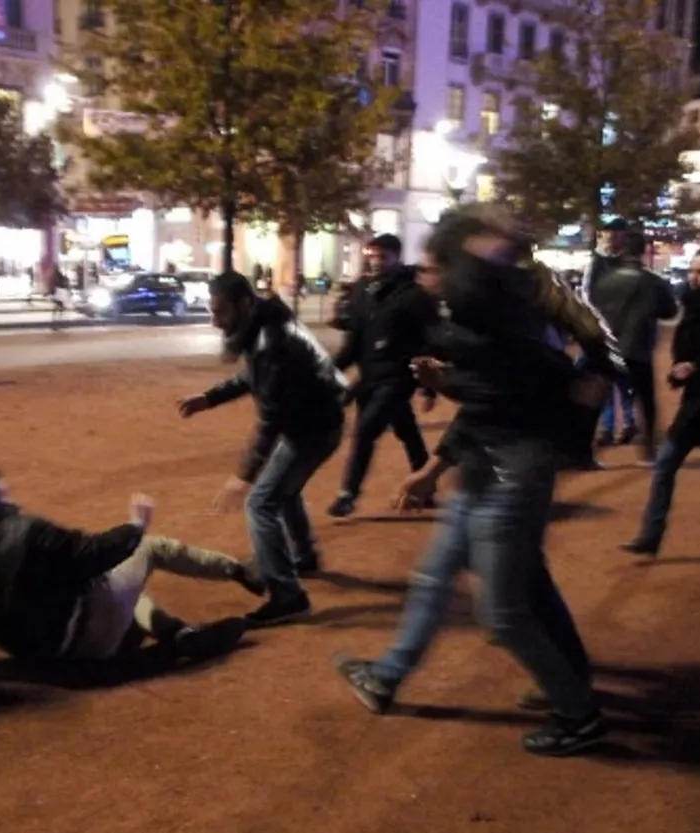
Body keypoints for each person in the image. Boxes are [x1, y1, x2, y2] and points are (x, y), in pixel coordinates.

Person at [332, 205, 623, 757]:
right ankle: (389, 675)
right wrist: (434, 455)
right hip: (489, 467)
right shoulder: (480, 330)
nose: (423, 277)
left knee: (504, 610)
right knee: (441, 576)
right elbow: (489, 401)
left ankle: (579, 713)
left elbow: (518, 386)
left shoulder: (494, 322)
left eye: (431, 267)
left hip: (513, 474)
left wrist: (486, 245)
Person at [0, 470, 260, 669]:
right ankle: (238, 571)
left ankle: (179, 634)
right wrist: (135, 525)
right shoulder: (25, 531)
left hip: (49, 660)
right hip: (87, 635)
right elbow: (94, 553)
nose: (12, 502)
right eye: (4, 496)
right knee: (147, 547)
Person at [177, 272, 347, 626]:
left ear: (244, 304)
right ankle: (305, 556)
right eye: (212, 311)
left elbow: (270, 419)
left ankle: (288, 595)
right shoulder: (267, 325)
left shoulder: (272, 341)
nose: (214, 321)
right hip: (316, 420)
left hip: (313, 429)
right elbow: (254, 378)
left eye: (220, 312)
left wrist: (243, 476)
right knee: (284, 493)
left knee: (260, 503)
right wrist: (210, 398)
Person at [327, 234, 437, 519]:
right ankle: (427, 484)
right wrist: (327, 370)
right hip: (370, 378)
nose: (375, 262)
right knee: (407, 430)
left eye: (382, 257)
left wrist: (428, 386)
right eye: (372, 256)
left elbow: (431, 339)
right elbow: (353, 343)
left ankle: (347, 494)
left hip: (399, 377)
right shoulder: (363, 291)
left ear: (396, 257)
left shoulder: (413, 294)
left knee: (365, 430)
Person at [622, 244, 700, 560]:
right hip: (696, 403)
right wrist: (682, 371)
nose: (694, 277)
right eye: (691, 270)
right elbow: (685, 349)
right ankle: (650, 536)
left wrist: (696, 366)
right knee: (665, 463)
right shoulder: (693, 306)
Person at [587, 230, 679, 459]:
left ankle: (584, 450)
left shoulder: (605, 280)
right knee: (646, 401)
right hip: (637, 349)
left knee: (595, 398)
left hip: (607, 347)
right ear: (644, 251)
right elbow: (670, 310)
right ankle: (648, 451)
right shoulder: (652, 282)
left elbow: (592, 306)